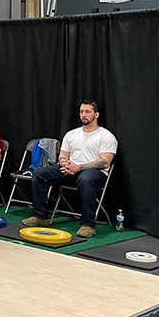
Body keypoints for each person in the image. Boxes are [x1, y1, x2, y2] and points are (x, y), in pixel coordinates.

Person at [22, 100, 117, 238]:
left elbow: (105, 161)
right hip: (70, 169)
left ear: (96, 115)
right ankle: (40, 216)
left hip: (94, 173)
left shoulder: (106, 136)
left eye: (87, 112)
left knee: (85, 178)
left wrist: (79, 167)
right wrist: (64, 164)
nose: (83, 115)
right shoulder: (71, 134)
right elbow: (63, 155)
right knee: (39, 173)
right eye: (81, 111)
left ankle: (87, 225)